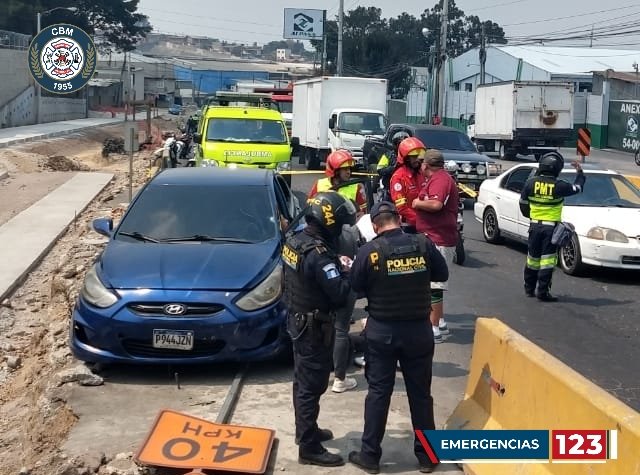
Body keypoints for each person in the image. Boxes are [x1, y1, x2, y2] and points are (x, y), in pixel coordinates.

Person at [348, 201, 449, 474]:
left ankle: (370, 456)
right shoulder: (423, 244)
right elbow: (442, 274)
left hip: (383, 333)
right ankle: (427, 457)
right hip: (418, 330)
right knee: (421, 395)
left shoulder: (369, 251)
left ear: (375, 225)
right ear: (398, 219)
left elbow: (354, 288)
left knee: (379, 393)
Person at [282, 191, 356, 467]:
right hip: (314, 327)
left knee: (302, 380)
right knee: (311, 385)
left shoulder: (296, 240)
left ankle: (307, 430)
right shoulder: (320, 256)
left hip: (297, 318)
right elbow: (339, 294)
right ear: (329, 222)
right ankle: (309, 447)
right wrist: (348, 272)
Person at [519, 152, 585, 302]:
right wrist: (580, 172)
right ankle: (542, 292)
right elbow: (578, 188)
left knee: (532, 259)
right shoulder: (559, 185)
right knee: (547, 261)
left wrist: (533, 217)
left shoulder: (530, 183)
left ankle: (529, 289)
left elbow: (523, 205)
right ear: (557, 169)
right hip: (551, 230)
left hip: (534, 227)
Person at [412, 149, 460, 344]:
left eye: (422, 162)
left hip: (438, 238)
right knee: (433, 285)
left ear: (427, 165)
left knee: (433, 287)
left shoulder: (440, 180)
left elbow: (436, 205)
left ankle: (432, 329)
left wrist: (417, 203)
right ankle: (439, 323)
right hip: (434, 236)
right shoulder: (436, 179)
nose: (420, 165)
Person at [309, 149, 368, 216]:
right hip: (322, 224)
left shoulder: (356, 187)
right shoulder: (320, 184)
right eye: (345, 169)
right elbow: (310, 207)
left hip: (348, 224)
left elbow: (363, 213)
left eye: (349, 168)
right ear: (335, 171)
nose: (348, 172)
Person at [389, 137, 427, 233]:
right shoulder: (398, 177)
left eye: (419, 156)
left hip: (424, 223)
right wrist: (420, 220)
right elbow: (401, 208)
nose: (418, 159)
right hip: (407, 227)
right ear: (405, 158)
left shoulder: (421, 173)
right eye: (414, 157)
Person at [376, 131, 410, 201]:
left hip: (408, 190)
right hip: (390, 190)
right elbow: (380, 169)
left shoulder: (411, 155)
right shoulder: (388, 155)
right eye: (399, 143)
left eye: (404, 143)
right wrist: (394, 168)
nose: (402, 145)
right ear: (395, 144)